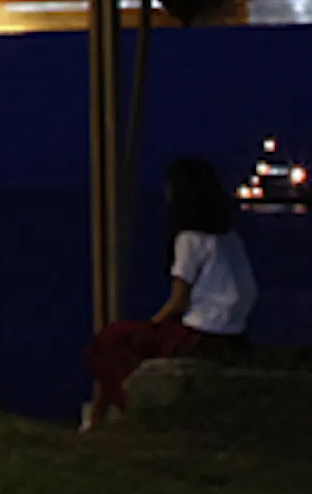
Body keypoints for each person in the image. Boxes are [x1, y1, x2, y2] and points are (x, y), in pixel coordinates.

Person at [80, 155, 255, 430]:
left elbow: (178, 300)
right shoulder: (229, 239)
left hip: (201, 334)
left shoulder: (190, 240)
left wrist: (154, 323)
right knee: (124, 338)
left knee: (108, 340)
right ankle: (101, 416)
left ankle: (116, 410)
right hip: (232, 331)